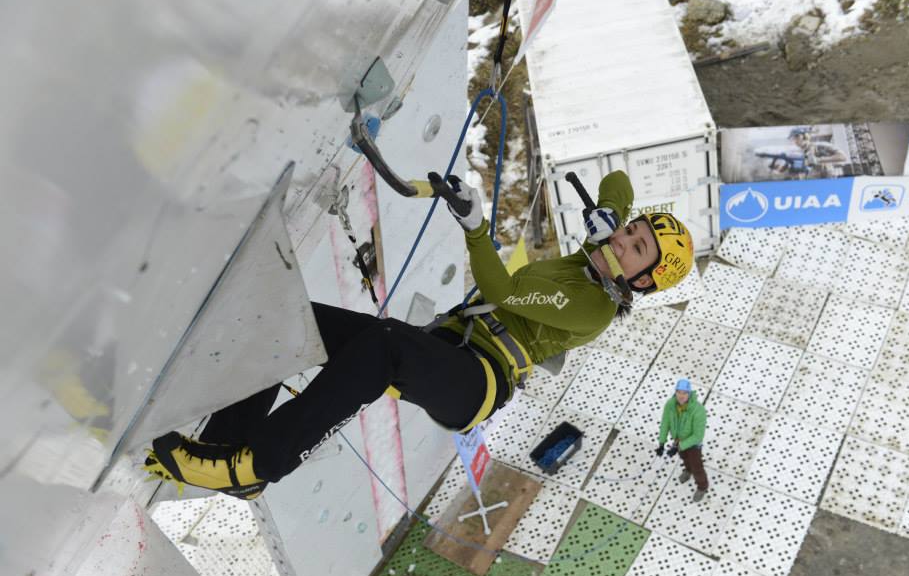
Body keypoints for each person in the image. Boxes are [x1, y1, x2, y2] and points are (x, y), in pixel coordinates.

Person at [144, 170, 694, 499]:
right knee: (298, 323)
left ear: (641, 282)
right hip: (454, 345)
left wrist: (476, 228)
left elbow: (500, 290)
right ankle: (218, 446)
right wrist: (611, 211)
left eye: (637, 248)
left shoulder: (592, 304)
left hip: (478, 380)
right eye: (631, 231)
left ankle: (257, 465)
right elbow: (618, 184)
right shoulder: (593, 258)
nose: (624, 240)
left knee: (383, 348)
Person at [656, 378, 708, 502]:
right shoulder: (670, 404)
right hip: (678, 440)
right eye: (679, 392)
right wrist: (661, 443)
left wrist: (679, 446)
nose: (681, 396)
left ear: (689, 394)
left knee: (697, 466)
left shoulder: (698, 411)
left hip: (693, 444)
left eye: (684, 393)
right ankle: (687, 470)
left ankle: (702, 486)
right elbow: (665, 422)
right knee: (684, 457)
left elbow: (698, 436)